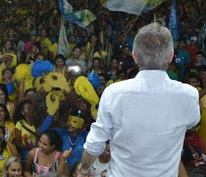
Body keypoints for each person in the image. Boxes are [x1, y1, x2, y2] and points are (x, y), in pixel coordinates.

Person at [79, 23, 201, 176]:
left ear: (134, 56)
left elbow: (95, 143)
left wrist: (83, 169)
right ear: (171, 56)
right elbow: (192, 121)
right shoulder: (189, 95)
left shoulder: (113, 93)